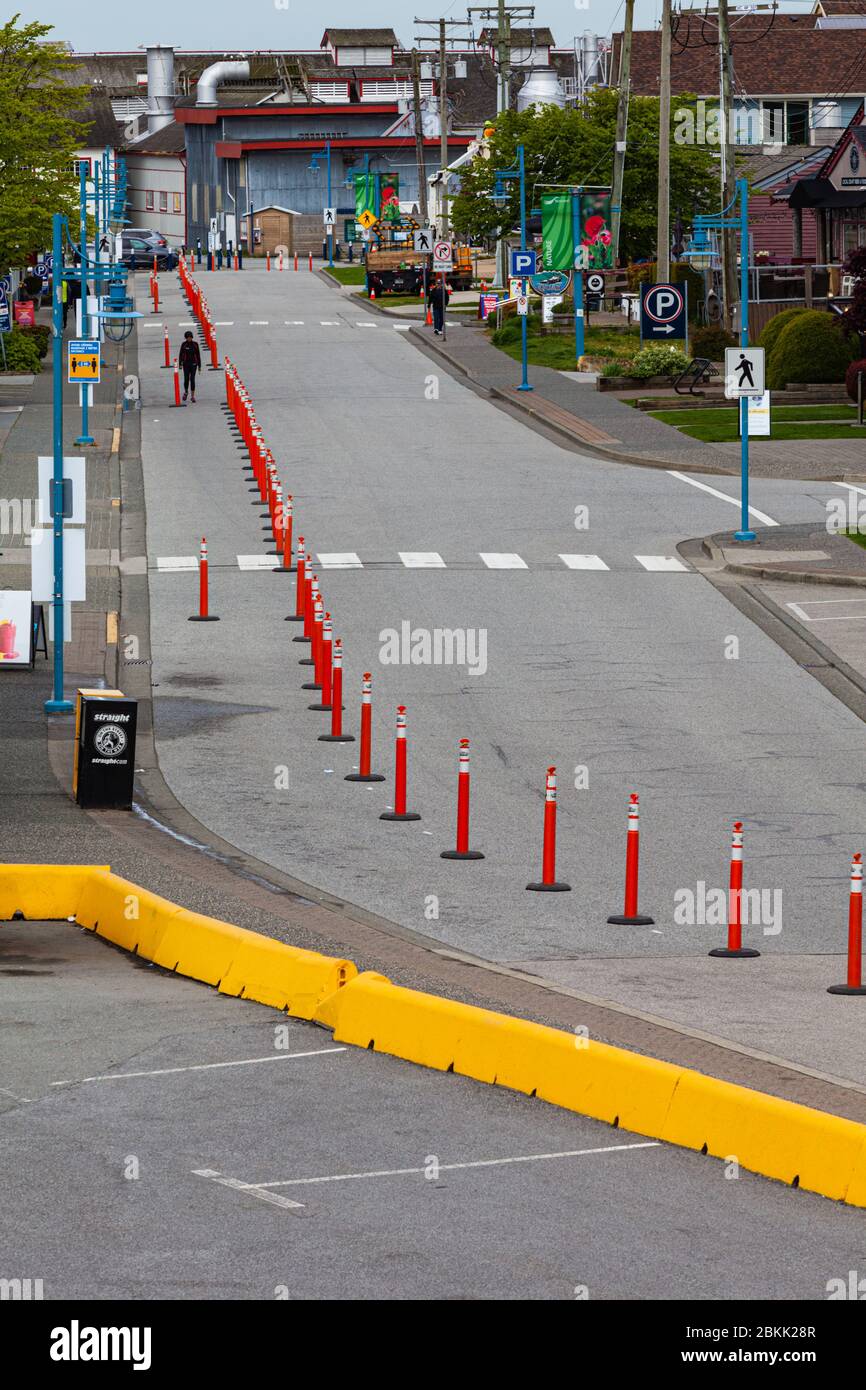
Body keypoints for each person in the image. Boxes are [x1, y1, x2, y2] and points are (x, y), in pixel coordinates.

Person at [178, 330, 201, 402]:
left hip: (194, 364)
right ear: (186, 338)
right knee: (186, 379)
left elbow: (198, 355)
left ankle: (192, 396)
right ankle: (186, 392)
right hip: (186, 364)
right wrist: (180, 364)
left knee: (192, 379)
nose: (189, 339)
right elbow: (181, 355)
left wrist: (199, 366)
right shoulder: (184, 344)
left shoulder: (195, 344)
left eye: (190, 337)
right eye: (188, 338)